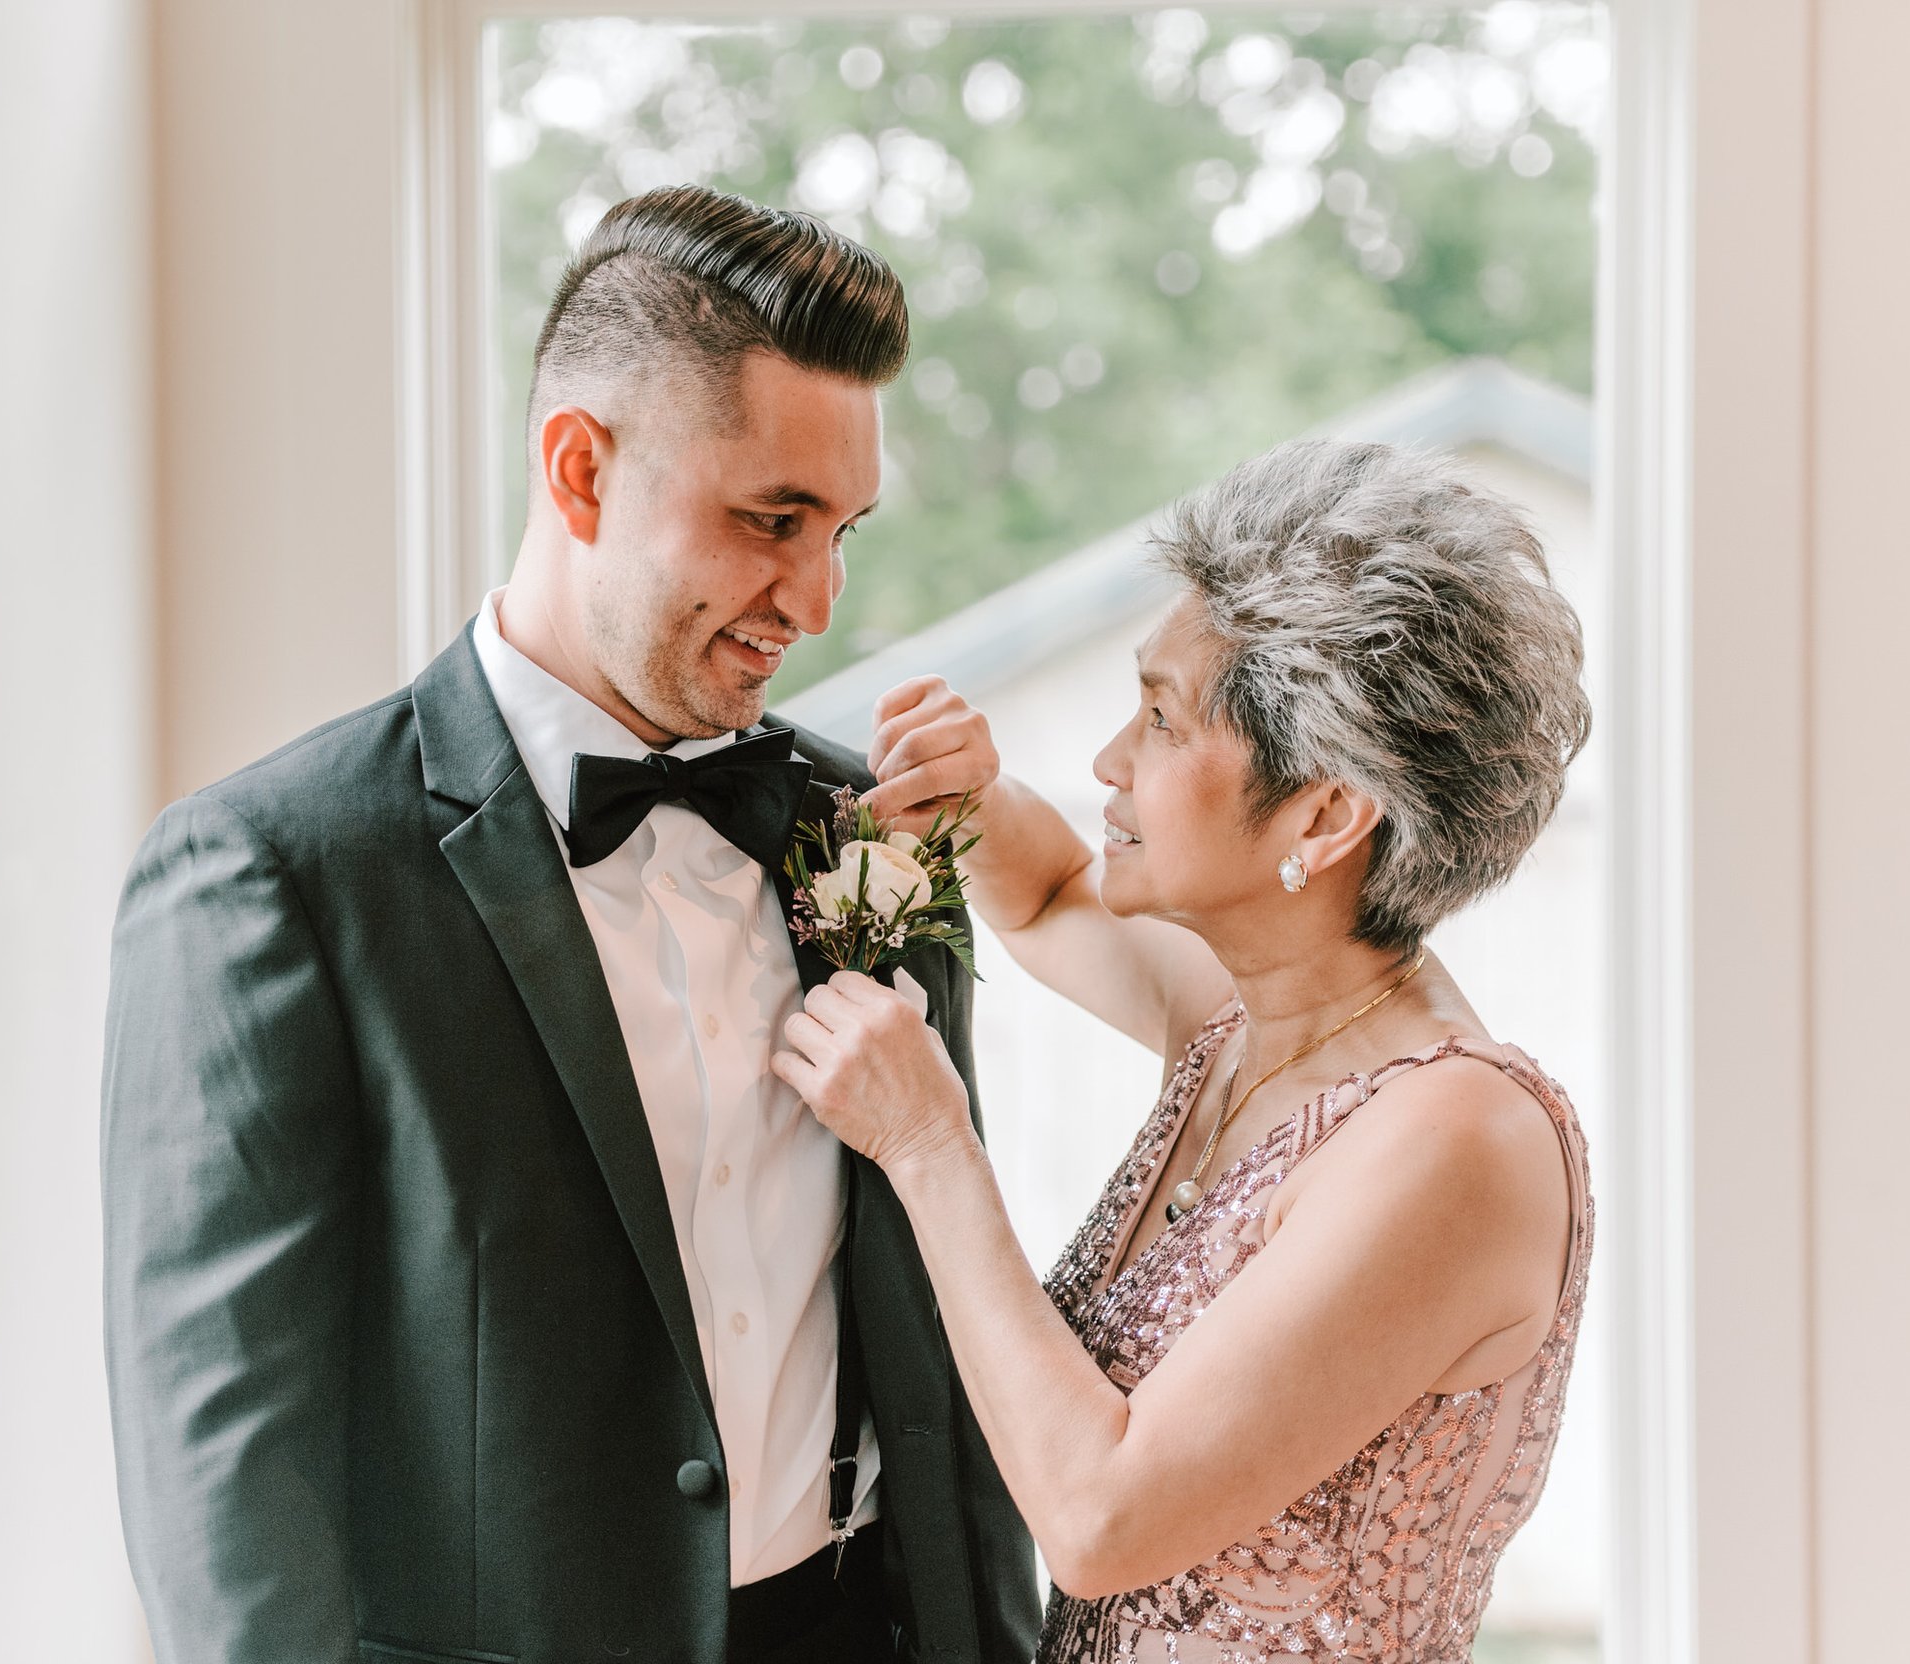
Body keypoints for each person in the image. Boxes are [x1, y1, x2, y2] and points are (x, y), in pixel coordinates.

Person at [101, 186, 1038, 1664]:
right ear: (580, 468)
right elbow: (225, 1479)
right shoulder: (271, 873)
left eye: (844, 529)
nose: (819, 597)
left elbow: (930, 1312)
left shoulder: (864, 834)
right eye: (770, 521)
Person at [775, 440, 1596, 1662]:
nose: (1110, 757)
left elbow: (1104, 1519)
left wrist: (926, 1142)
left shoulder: (1456, 1140)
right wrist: (971, 796)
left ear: (1323, 812)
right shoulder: (1256, 1013)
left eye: (1160, 718)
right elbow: (1053, 894)